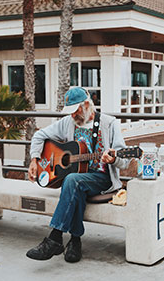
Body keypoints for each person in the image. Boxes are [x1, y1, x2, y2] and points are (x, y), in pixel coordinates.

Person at [26, 87, 129, 263]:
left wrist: (112, 160)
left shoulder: (109, 123)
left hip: (101, 179)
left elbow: (124, 160)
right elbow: (39, 135)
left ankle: (55, 238)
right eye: (70, 112)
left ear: (87, 105)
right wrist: (34, 159)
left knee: (72, 180)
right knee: (74, 182)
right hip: (77, 180)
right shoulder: (68, 122)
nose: (72, 116)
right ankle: (74, 240)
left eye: (75, 111)